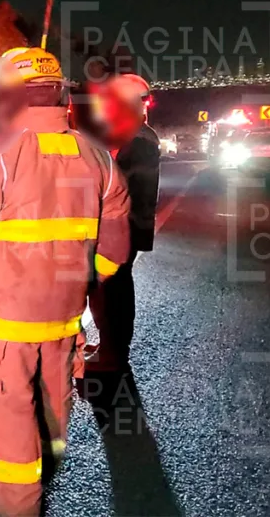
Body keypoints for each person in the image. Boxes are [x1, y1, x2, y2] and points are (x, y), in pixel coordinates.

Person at [0, 47, 132, 516]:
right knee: (54, 405)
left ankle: (12, 501)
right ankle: (41, 472)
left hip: (6, 327)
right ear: (59, 95)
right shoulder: (98, 157)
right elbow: (115, 250)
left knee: (10, 412)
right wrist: (82, 279)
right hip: (64, 323)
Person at [84, 73, 160, 374]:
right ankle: (108, 346)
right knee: (109, 288)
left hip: (124, 226)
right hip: (121, 225)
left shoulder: (139, 140)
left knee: (114, 291)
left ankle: (114, 354)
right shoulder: (131, 134)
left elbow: (119, 186)